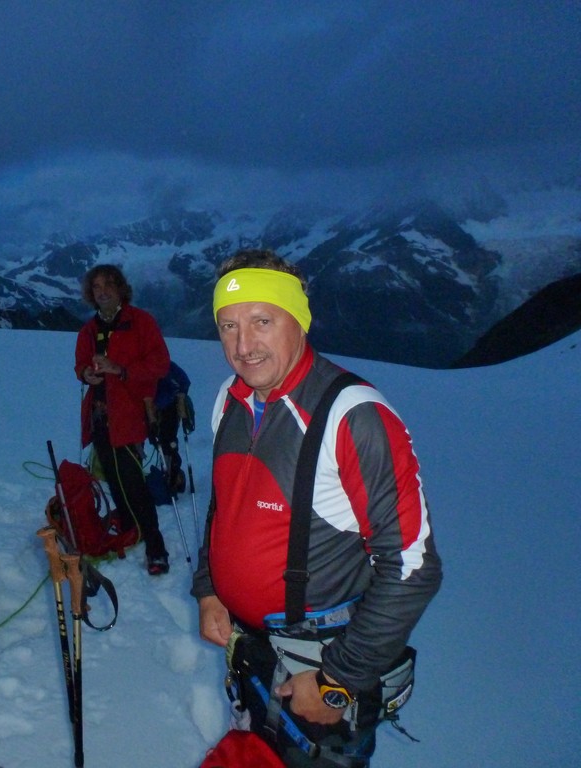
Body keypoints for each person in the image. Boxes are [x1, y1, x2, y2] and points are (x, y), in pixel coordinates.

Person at [191, 249, 442, 767]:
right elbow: (226, 508)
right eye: (228, 325)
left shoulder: (354, 417)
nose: (243, 345)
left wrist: (338, 681)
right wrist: (209, 587)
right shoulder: (229, 400)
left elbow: (414, 568)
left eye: (262, 321)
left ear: (299, 320)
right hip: (250, 649)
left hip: (319, 661)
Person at [75, 264, 171, 575]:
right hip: (100, 415)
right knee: (113, 476)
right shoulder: (89, 330)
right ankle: (131, 528)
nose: (101, 291)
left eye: (108, 285)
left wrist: (121, 370)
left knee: (132, 479)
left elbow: (159, 364)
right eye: (96, 287)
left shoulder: (140, 322)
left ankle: (155, 546)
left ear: (120, 290)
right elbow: (80, 365)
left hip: (129, 414)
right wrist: (86, 374)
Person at [146, 360, 191, 496]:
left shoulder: (164, 366)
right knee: (157, 440)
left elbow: (180, 386)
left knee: (167, 441)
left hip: (169, 407)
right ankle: (168, 473)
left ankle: (172, 476)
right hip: (153, 406)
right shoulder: (147, 366)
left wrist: (158, 403)